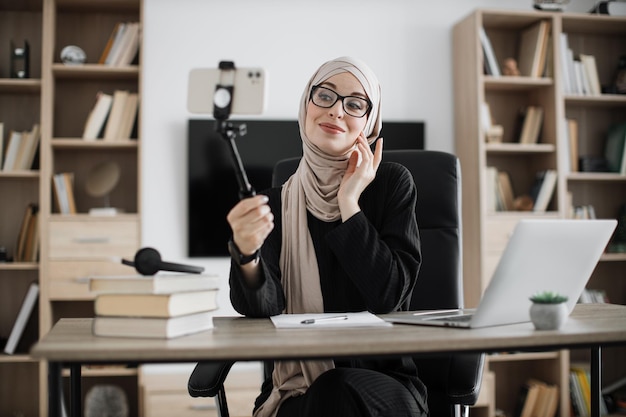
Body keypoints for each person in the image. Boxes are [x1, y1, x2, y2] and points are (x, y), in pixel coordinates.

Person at [226, 56, 427, 417]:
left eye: (354, 104)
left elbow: (388, 296)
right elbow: (261, 310)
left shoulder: (392, 184)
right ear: (306, 106)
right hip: (295, 387)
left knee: (334, 390)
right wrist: (246, 252)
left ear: (369, 123)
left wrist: (349, 202)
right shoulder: (274, 204)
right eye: (325, 96)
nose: (336, 111)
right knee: (322, 396)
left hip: (384, 388)